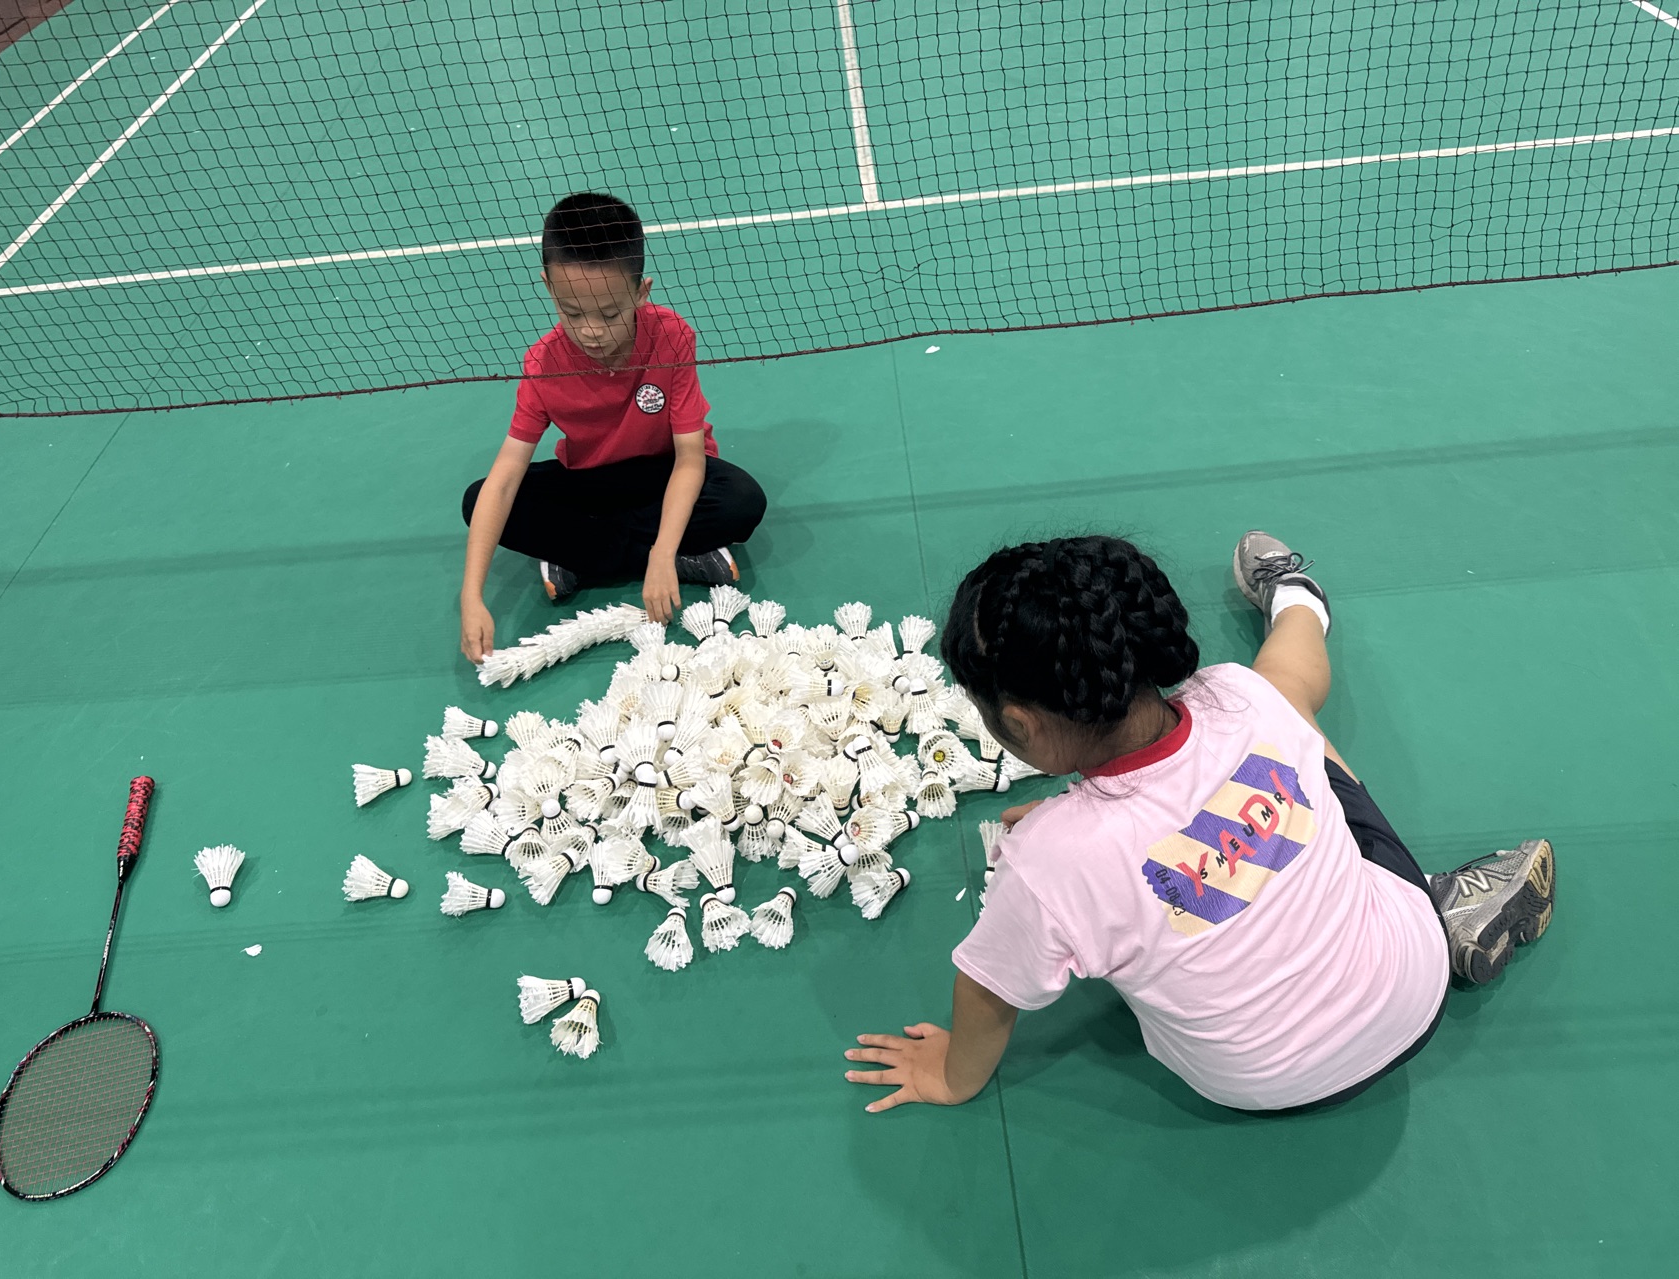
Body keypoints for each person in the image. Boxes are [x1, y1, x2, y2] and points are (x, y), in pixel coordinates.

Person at [844, 531, 1556, 1113]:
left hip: (1266, 1085)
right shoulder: (1243, 696)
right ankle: (1297, 599)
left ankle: (1446, 900)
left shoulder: (1047, 863)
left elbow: (987, 991)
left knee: (1288, 738)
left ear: (1020, 724)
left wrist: (951, 1076)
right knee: (1291, 702)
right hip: (1412, 986)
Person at [459, 193, 767, 658]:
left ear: (641, 292)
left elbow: (689, 458)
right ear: (548, 287)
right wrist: (472, 596)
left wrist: (660, 554)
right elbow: (505, 477)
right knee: (480, 497)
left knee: (741, 500)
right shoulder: (543, 364)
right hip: (591, 480)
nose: (591, 331)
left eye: (609, 314)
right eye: (572, 312)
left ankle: (581, 557)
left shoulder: (672, 336)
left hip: (662, 473)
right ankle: (687, 552)